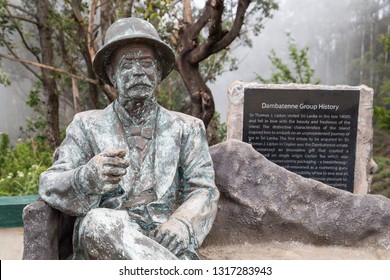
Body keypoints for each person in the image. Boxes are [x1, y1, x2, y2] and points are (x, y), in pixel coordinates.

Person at [39, 17, 219, 260]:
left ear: (157, 71)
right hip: (109, 235)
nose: (138, 72)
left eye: (146, 63)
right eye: (127, 65)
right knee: (98, 221)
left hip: (165, 240)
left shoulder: (187, 127)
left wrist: (181, 224)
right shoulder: (86, 125)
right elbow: (49, 183)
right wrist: (88, 178)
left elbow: (204, 190)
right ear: (112, 74)